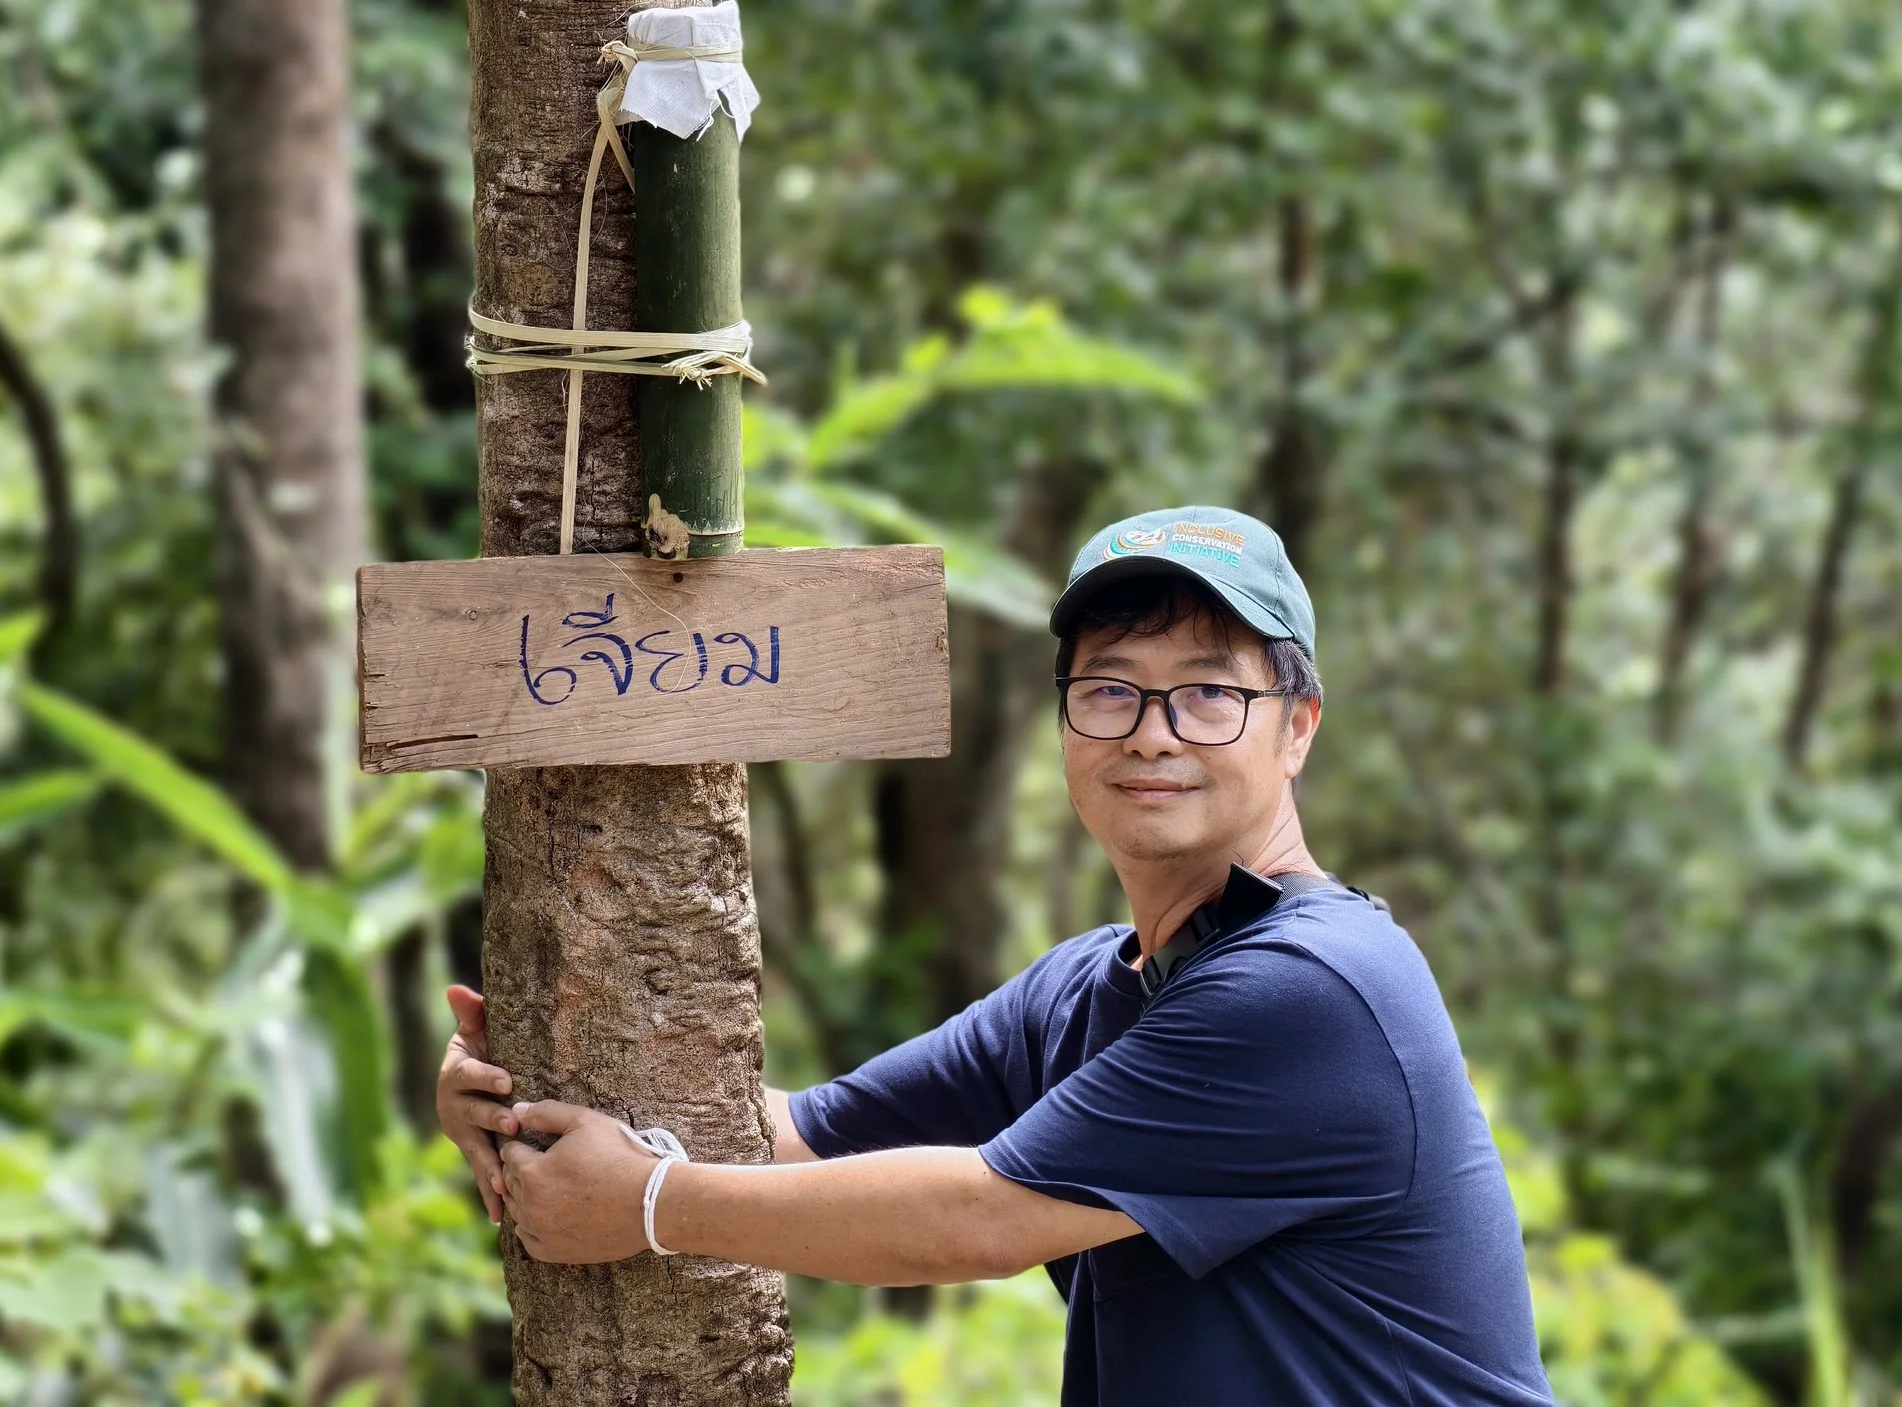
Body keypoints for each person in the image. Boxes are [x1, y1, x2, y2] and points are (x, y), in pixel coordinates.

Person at [436, 506, 1553, 1404]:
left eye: (1210, 692)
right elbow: (784, 1138)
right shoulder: (1084, 991)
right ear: (1066, 721)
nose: (1151, 730)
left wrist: (647, 1204)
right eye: (1110, 688)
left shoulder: (1313, 990)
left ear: (1297, 725)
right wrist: (523, 1097)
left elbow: (981, 1217)